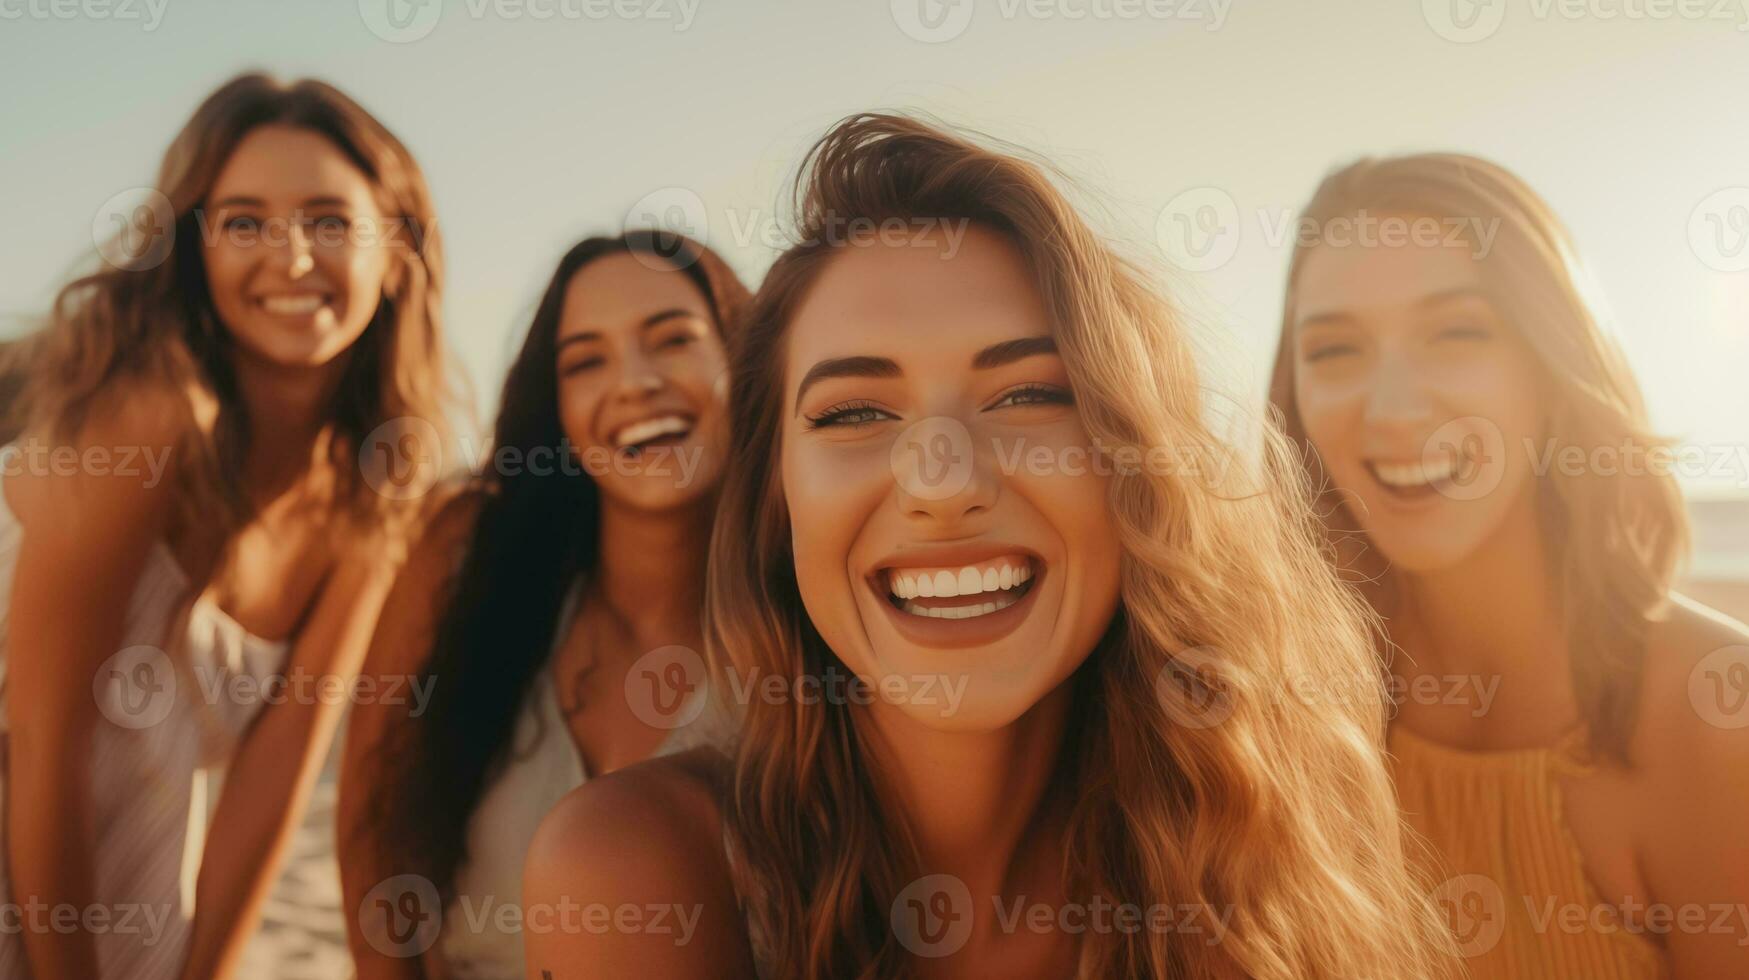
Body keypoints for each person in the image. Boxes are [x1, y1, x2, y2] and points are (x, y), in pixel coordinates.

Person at [522, 114, 1456, 979]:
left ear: (1137, 467)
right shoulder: (640, 867)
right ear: (776, 499)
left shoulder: (1265, 846)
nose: (942, 478)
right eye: (854, 412)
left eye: (1027, 396)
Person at [0, 73, 457, 980]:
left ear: (396, 248)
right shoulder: (149, 414)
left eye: (329, 219)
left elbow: (270, 788)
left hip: (131, 856)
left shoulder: (374, 495)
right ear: (193, 250)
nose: (290, 258)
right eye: (244, 222)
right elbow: (45, 741)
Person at [1269, 152, 1749, 978]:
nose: (1391, 408)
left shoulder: (1713, 712)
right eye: (1334, 350)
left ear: (1553, 365)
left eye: (1455, 333)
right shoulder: (1277, 714)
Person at [339, 230, 748, 980]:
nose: (632, 382)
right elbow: (373, 832)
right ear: (557, 407)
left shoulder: (814, 619)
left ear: (745, 361)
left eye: (672, 339)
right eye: (585, 361)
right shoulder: (467, 554)